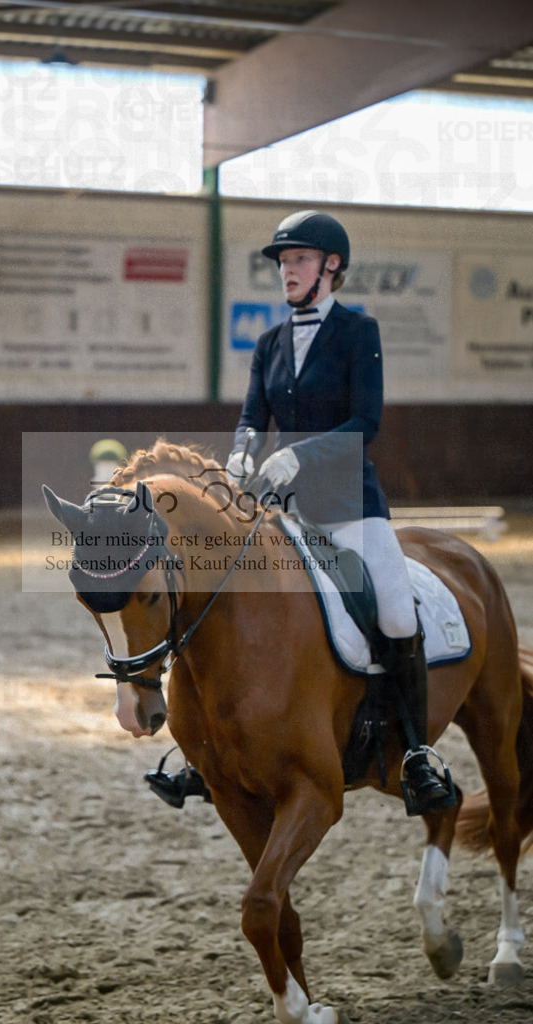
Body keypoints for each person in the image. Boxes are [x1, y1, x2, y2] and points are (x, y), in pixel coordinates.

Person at [146, 209, 455, 817]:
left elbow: (366, 422)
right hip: (282, 510)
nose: (287, 271)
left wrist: (302, 455)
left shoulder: (358, 332)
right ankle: (205, 752)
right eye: (283, 263)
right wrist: (240, 453)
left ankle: (416, 753)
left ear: (330, 266)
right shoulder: (269, 343)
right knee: (224, 596)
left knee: (394, 609)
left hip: (350, 506)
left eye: (299, 261)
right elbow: (251, 416)